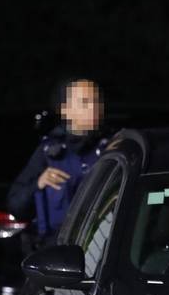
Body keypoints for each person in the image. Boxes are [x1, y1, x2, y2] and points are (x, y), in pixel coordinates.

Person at [8, 77, 107, 243]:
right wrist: (38, 184)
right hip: (57, 250)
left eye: (97, 102)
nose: (93, 108)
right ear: (65, 109)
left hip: (100, 245)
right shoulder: (49, 152)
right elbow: (16, 206)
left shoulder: (112, 147)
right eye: (85, 102)